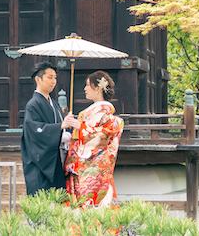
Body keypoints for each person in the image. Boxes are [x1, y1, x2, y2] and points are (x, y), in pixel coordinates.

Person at [64, 70, 124, 208]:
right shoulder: (87, 113)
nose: (85, 89)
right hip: (80, 167)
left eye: (87, 85)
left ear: (97, 88)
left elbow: (102, 138)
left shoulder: (106, 114)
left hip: (95, 168)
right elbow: (78, 137)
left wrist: (80, 127)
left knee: (93, 200)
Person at [21, 61, 80, 195]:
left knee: (58, 204)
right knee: (43, 205)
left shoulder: (54, 104)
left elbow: (62, 128)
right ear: (38, 79)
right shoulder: (33, 104)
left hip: (56, 161)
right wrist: (60, 127)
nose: (53, 81)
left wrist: (67, 128)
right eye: (49, 77)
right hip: (41, 164)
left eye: (55, 78)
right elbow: (35, 131)